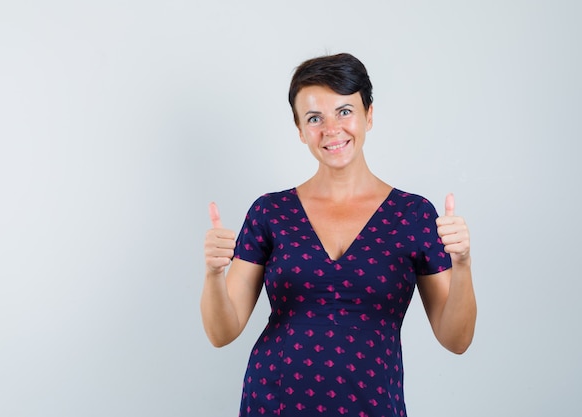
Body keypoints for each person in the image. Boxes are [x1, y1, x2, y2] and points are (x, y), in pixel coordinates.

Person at [201, 53, 476, 417]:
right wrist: (213, 274)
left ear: (369, 115)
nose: (331, 129)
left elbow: (456, 340)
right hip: (275, 403)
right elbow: (223, 332)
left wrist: (463, 263)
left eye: (344, 111)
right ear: (300, 129)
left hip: (374, 406)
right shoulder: (270, 212)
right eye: (315, 118)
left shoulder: (413, 215)